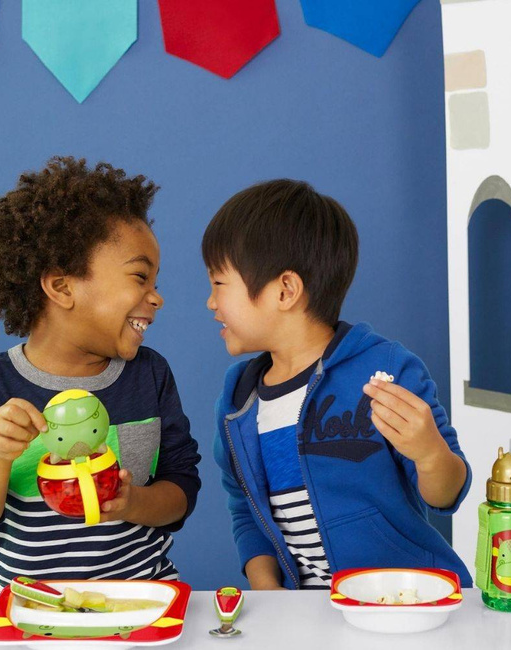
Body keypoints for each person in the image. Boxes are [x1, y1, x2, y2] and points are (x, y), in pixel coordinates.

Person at [0, 156, 201, 589]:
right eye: (140, 277)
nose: (156, 297)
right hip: (35, 610)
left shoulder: (150, 374)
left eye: (155, 282)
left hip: (143, 598)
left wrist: (133, 502)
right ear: (62, 287)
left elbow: (182, 490)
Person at [202, 179, 472, 590]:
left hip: (406, 600)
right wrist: (270, 596)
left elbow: (446, 495)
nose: (211, 302)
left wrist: (430, 453)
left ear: (285, 291)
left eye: (218, 284)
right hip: (308, 613)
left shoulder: (387, 368)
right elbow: (245, 509)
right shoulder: (238, 399)